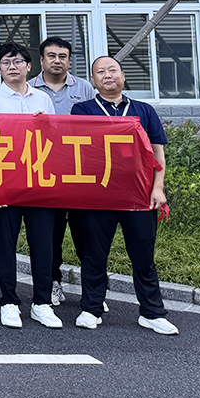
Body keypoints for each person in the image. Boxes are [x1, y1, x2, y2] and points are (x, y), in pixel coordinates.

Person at [72, 56, 178, 335]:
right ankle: (91, 308)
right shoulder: (82, 110)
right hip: (97, 195)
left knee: (143, 255)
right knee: (94, 254)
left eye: (113, 70)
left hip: (139, 195)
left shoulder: (144, 110)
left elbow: (158, 152)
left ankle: (152, 312)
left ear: (123, 76)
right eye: (101, 72)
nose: (107, 75)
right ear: (93, 80)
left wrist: (158, 188)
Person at [0, 41, 62, 330]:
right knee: (6, 244)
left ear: (29, 66)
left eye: (17, 62)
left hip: (39, 180)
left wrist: (46, 125)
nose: (12, 67)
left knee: (43, 244)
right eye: (6, 62)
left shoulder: (43, 99)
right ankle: (9, 302)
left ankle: (42, 302)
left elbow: (55, 140)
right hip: (7, 181)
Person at [32, 36, 96, 306]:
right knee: (52, 232)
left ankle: (93, 289)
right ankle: (53, 282)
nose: (57, 61)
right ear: (41, 60)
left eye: (63, 56)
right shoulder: (29, 88)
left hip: (80, 170)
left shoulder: (84, 88)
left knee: (86, 232)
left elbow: (97, 125)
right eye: (51, 56)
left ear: (69, 61)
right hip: (45, 170)